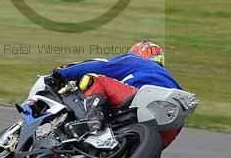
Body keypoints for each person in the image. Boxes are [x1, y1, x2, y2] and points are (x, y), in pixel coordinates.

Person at [51, 41, 183, 148]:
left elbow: (101, 66)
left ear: (136, 53)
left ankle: (94, 116)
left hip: (138, 97)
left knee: (94, 78)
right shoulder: (172, 80)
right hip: (170, 118)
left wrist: (62, 72)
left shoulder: (135, 61)